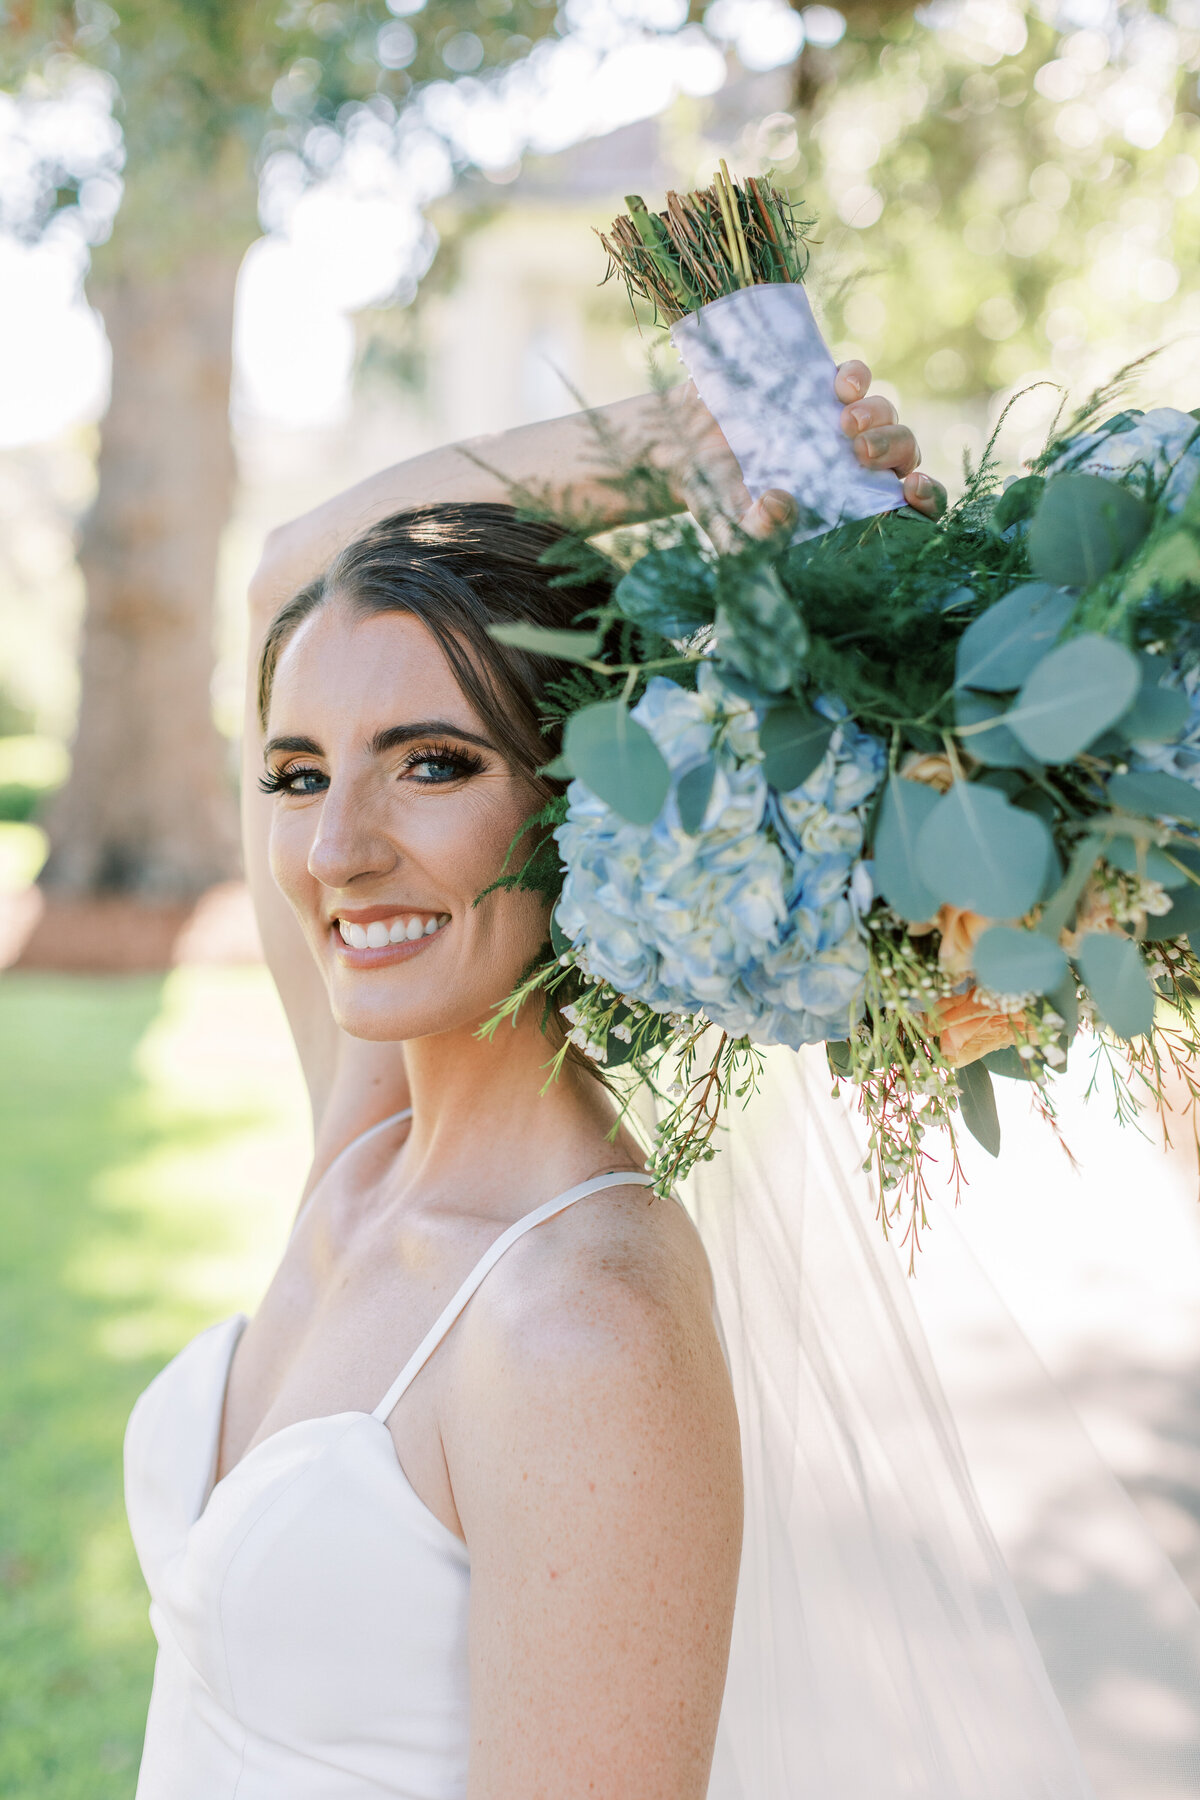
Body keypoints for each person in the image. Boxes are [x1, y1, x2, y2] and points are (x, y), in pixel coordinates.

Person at [122, 369, 953, 1799]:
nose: (336, 853)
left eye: (430, 764)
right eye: (300, 773)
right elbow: (285, 580)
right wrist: (683, 442)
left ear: (585, 795)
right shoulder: (371, 1123)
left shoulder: (583, 1328)